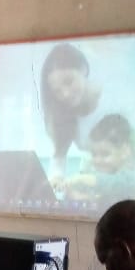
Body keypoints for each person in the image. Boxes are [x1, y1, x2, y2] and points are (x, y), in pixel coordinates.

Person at [40, 42, 102, 182]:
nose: (65, 94)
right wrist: (57, 178)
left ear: (83, 69)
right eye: (57, 91)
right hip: (92, 189)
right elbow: (58, 157)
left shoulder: (111, 101)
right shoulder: (64, 114)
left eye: (69, 81)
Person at [60, 113, 135, 209]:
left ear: (125, 151)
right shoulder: (93, 177)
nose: (97, 160)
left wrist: (85, 179)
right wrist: (73, 194)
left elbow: (111, 184)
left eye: (105, 154)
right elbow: (95, 201)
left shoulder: (129, 180)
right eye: (94, 154)